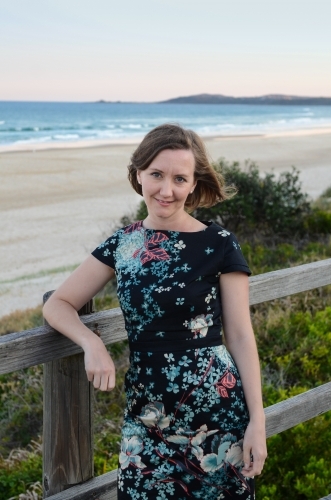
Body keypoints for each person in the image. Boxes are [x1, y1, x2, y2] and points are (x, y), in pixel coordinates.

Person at [43, 124, 267, 499]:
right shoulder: (123, 244)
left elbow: (241, 336)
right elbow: (58, 304)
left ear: (193, 184)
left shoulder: (220, 244)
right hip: (147, 418)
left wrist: (258, 421)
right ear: (138, 175)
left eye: (180, 178)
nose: (167, 190)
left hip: (218, 416)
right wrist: (91, 343)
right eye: (157, 175)